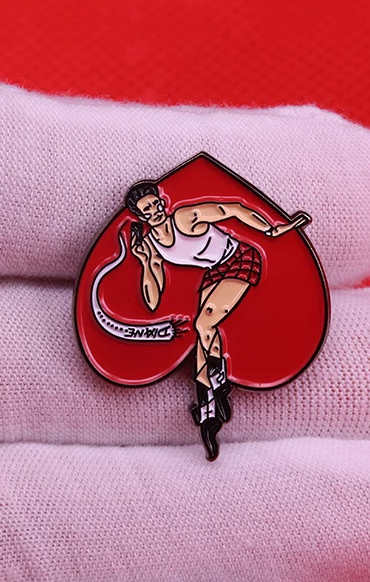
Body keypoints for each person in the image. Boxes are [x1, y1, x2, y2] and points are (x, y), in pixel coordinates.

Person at [125, 181, 309, 460]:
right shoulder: (151, 245)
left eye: (155, 203)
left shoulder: (184, 218)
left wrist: (271, 230)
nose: (155, 210)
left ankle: (219, 382)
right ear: (140, 217)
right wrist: (143, 261)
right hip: (214, 272)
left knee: (204, 324)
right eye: (147, 209)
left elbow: (231, 209)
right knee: (202, 342)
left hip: (239, 258)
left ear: (162, 201)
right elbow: (152, 300)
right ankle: (209, 413)